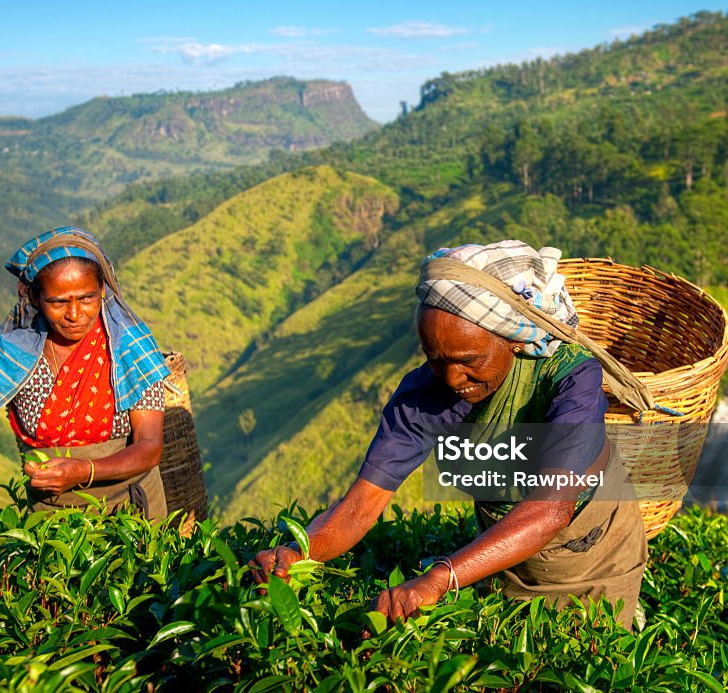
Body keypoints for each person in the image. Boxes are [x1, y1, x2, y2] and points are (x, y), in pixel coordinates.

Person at [251, 240, 648, 629]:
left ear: (511, 338)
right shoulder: (424, 393)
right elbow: (361, 505)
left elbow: (551, 509)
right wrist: (298, 552)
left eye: (469, 361)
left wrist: (437, 579)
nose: (454, 378)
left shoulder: (570, 377)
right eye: (435, 360)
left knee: (594, 649)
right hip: (503, 551)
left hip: (595, 550)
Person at [0, 227, 172, 526]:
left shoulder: (129, 347)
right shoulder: (17, 353)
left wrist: (84, 470)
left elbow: (150, 448)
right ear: (35, 298)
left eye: (86, 298)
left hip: (133, 513)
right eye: (58, 302)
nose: (74, 314)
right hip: (51, 523)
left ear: (102, 291)